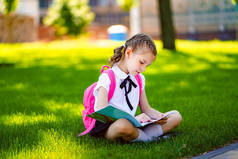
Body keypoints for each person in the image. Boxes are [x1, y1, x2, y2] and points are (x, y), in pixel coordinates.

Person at [89, 33, 182, 143]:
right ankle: (150, 139)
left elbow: (146, 109)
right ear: (129, 53)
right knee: (123, 125)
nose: (143, 69)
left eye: (147, 65)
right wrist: (132, 119)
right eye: (142, 62)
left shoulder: (139, 79)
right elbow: (101, 111)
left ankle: (140, 137)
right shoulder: (107, 77)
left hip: (133, 124)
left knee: (176, 116)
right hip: (111, 127)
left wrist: (159, 117)